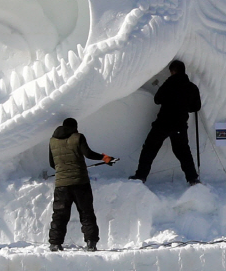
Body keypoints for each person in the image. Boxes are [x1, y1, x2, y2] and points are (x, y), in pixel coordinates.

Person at [129, 60, 201, 185]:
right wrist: (184, 106)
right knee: (183, 152)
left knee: (150, 148)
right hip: (179, 124)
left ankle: (141, 176)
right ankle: (193, 179)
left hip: (163, 122)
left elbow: (157, 100)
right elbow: (196, 107)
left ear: (172, 71)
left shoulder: (169, 83)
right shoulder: (192, 87)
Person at [48, 118, 114, 252]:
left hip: (61, 185)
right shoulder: (78, 137)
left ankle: (55, 243)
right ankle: (91, 243)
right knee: (86, 213)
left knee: (59, 214)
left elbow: (52, 164)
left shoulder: (52, 140)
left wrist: (63, 168)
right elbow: (88, 153)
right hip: (80, 183)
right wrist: (105, 158)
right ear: (75, 127)